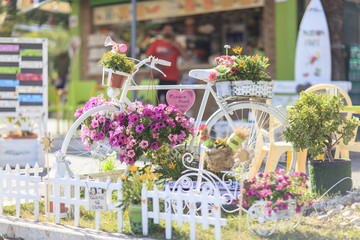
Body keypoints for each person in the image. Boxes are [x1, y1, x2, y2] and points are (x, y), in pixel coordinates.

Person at [146, 24, 188, 103]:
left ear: (173, 33)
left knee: (171, 103)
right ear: (162, 31)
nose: (168, 31)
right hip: (158, 78)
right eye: (166, 29)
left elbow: (186, 57)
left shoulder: (177, 44)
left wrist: (178, 46)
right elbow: (148, 57)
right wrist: (154, 67)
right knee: (157, 103)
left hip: (172, 78)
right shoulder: (156, 43)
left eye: (170, 30)